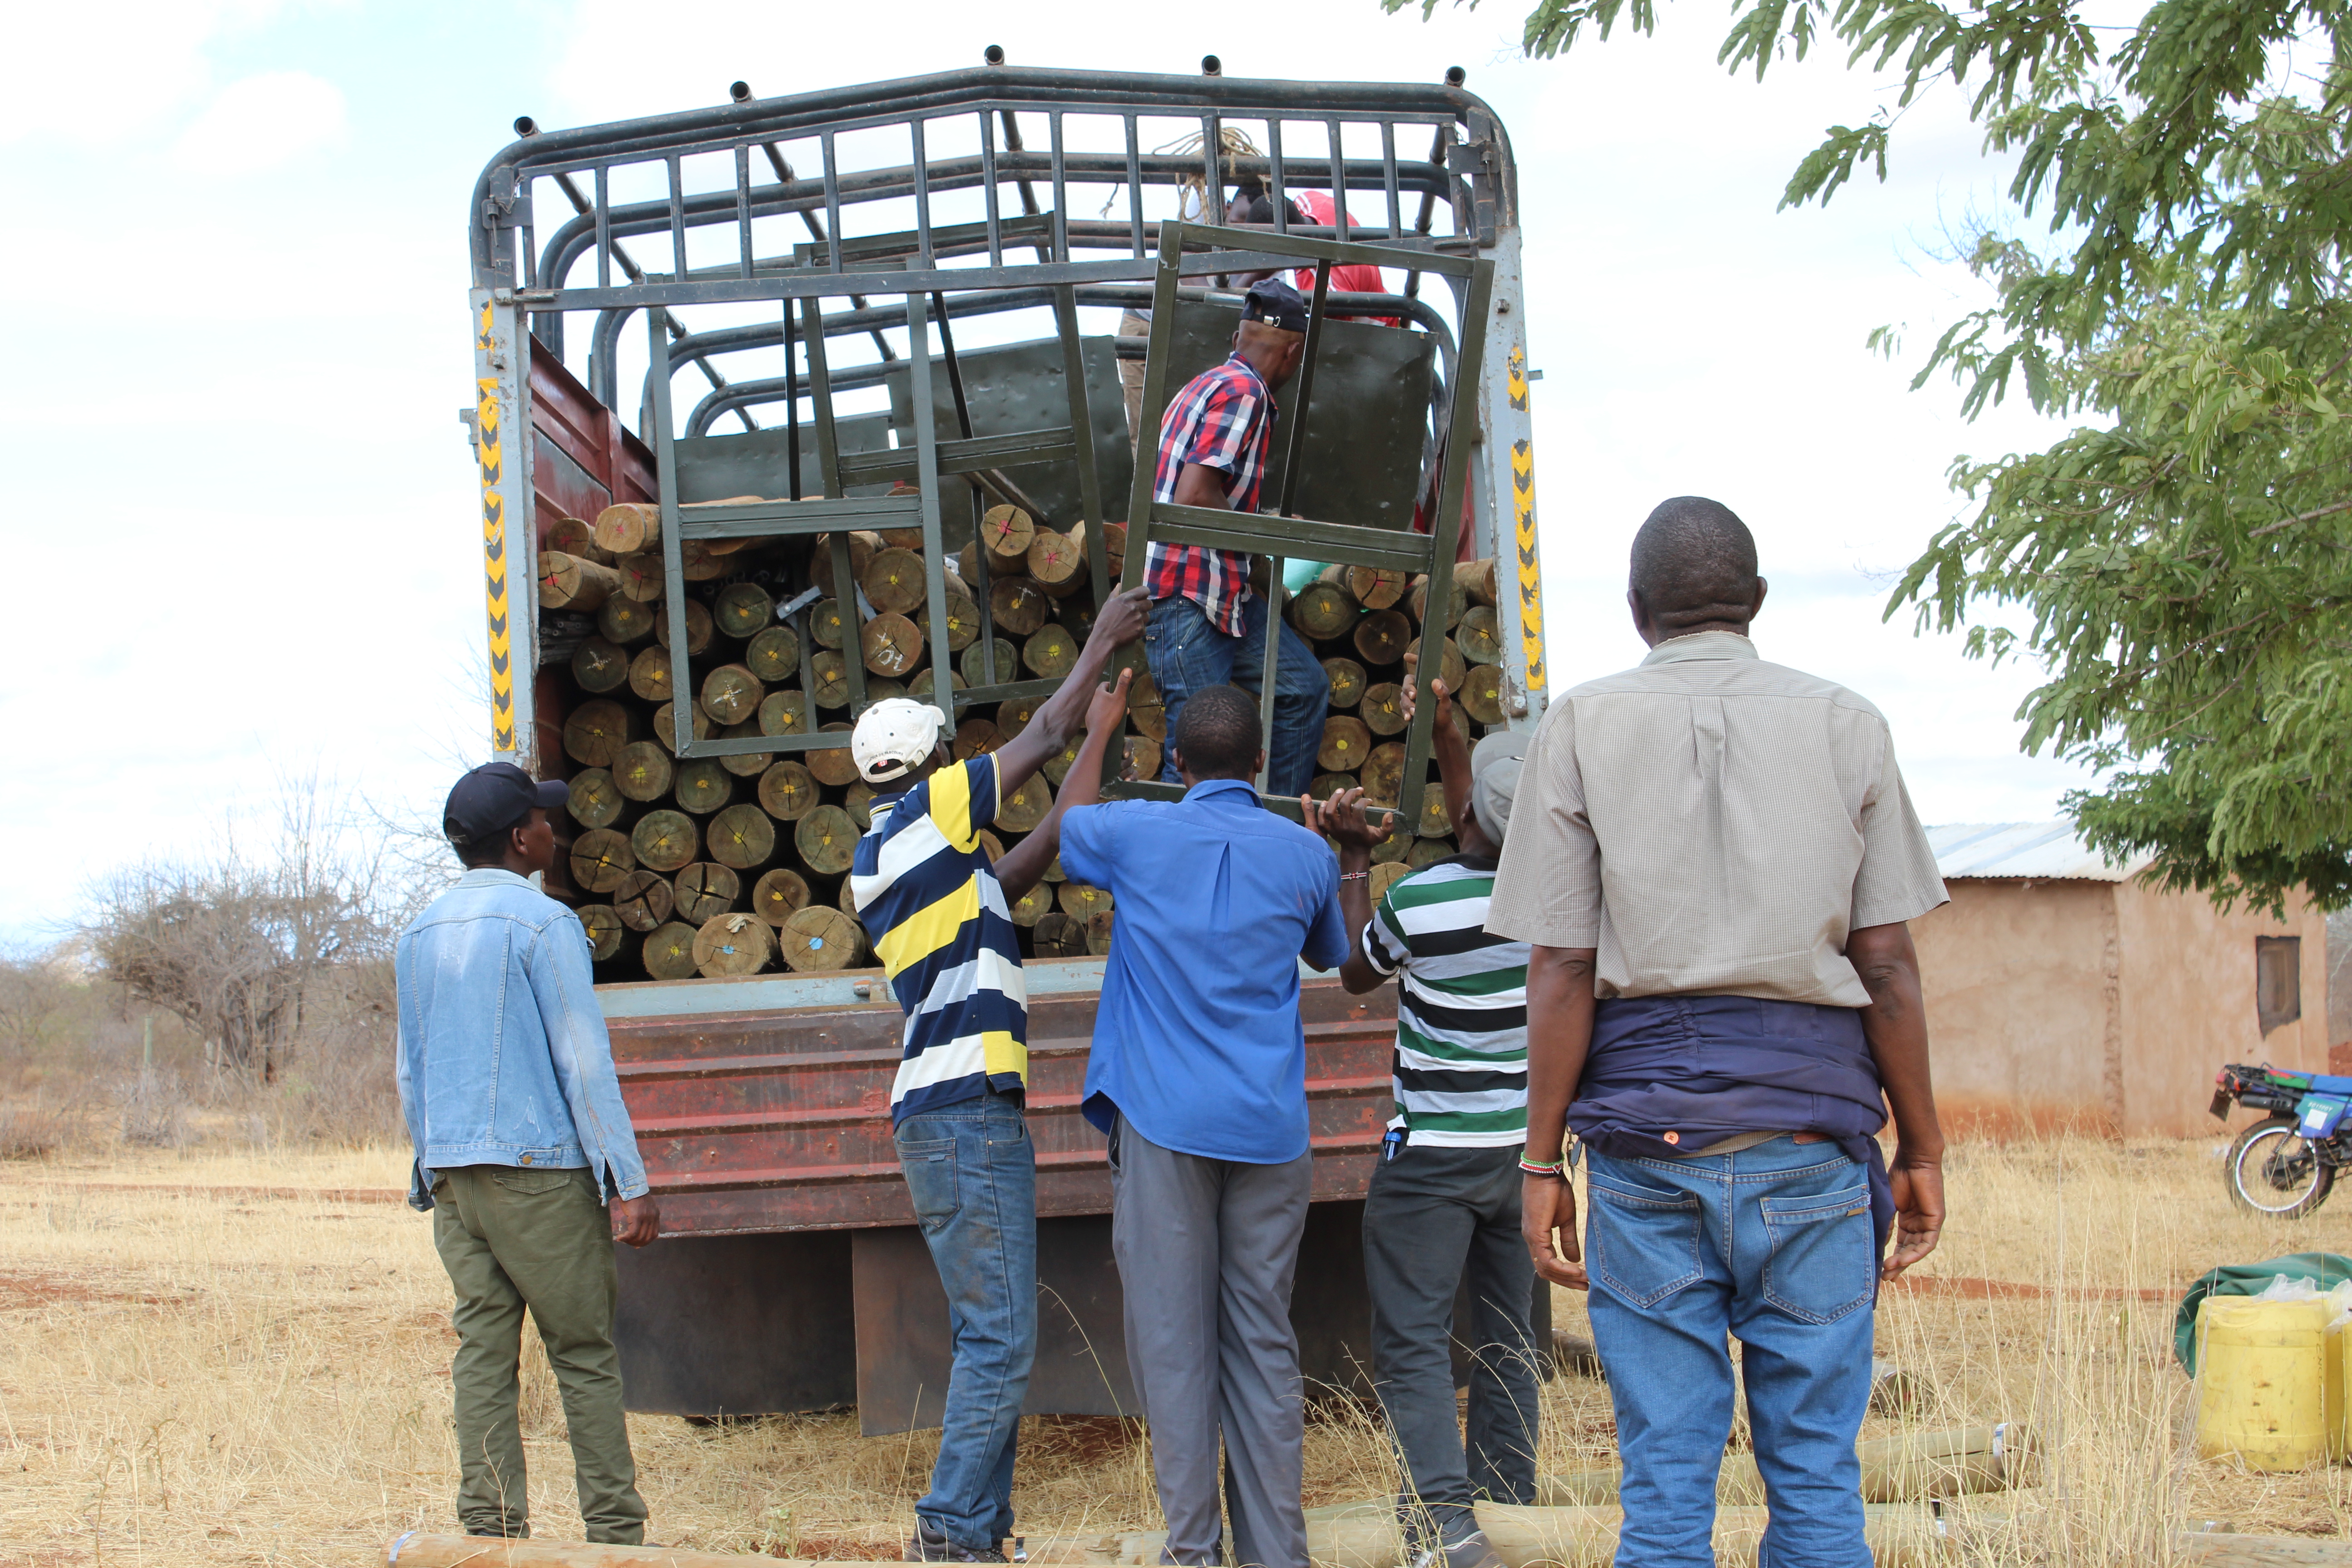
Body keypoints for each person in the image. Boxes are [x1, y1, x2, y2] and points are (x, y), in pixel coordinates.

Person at [1485, 497, 1951, 1568]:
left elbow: (1558, 965)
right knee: (1818, 1480)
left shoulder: (1580, 725)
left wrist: (1539, 1157)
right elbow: (1884, 962)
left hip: (1647, 1159)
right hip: (1809, 1146)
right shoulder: (1848, 723)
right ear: (1756, 603)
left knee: (1662, 1487)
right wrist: (1919, 1147)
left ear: (1638, 612)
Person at [848, 585, 1149, 1565]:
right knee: (1002, 1339)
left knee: (995, 1335)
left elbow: (1049, 836)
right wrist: (1101, 644)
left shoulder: (911, 859)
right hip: (964, 1113)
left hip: (947, 1117)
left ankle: (978, 1532)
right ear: (936, 763)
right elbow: (1047, 730)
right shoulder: (928, 812)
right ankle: (949, 1533)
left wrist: (1102, 732)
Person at [1057, 685, 1350, 1568]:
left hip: (1165, 1125)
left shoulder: (1135, 834)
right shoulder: (1305, 855)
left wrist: (1101, 729)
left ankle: (1195, 1554)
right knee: (1263, 1342)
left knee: (1177, 1349)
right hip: (1270, 1132)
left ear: (1177, 765)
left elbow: (1069, 824)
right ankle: (1278, 1557)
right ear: (1260, 764)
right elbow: (1334, 956)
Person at [396, 762, 663, 1546]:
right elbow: (583, 1062)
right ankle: (615, 1537)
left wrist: (428, 1168)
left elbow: (411, 1066)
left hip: (455, 1176)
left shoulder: (418, 932)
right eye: (544, 822)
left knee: (481, 1353)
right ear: (521, 839)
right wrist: (627, 1179)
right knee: (582, 1354)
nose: (554, 831)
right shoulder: (545, 924)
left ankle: (487, 1535)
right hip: (539, 1174)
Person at [1315, 679, 1535, 1568]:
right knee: (1511, 1338)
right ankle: (1511, 1508)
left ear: (1470, 816)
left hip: (1430, 1163)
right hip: (1522, 1159)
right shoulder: (1561, 904)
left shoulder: (1421, 902)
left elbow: (1358, 976)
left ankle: (1444, 1528)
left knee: (1411, 1348)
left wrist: (1354, 861)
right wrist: (1445, 730)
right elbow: (1481, 818)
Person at [1142, 277, 1331, 799]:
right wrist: (1263, 531)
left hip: (1222, 594)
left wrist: (1260, 517)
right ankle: (1170, 869)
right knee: (1194, 762)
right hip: (1189, 595)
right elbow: (1195, 493)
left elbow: (1204, 485)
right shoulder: (1247, 393)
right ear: (1293, 353)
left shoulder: (1203, 384)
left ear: (1236, 336)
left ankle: (1267, 826)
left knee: (1301, 688)